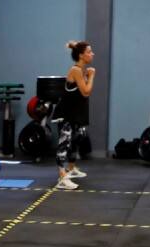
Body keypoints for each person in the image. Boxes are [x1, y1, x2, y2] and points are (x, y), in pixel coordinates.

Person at [52, 41, 95, 191]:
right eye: (89, 52)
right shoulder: (76, 70)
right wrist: (92, 76)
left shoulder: (80, 70)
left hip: (74, 114)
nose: (92, 54)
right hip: (65, 114)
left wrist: (87, 75)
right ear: (81, 55)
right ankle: (62, 177)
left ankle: (70, 168)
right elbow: (86, 92)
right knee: (64, 144)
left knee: (77, 139)